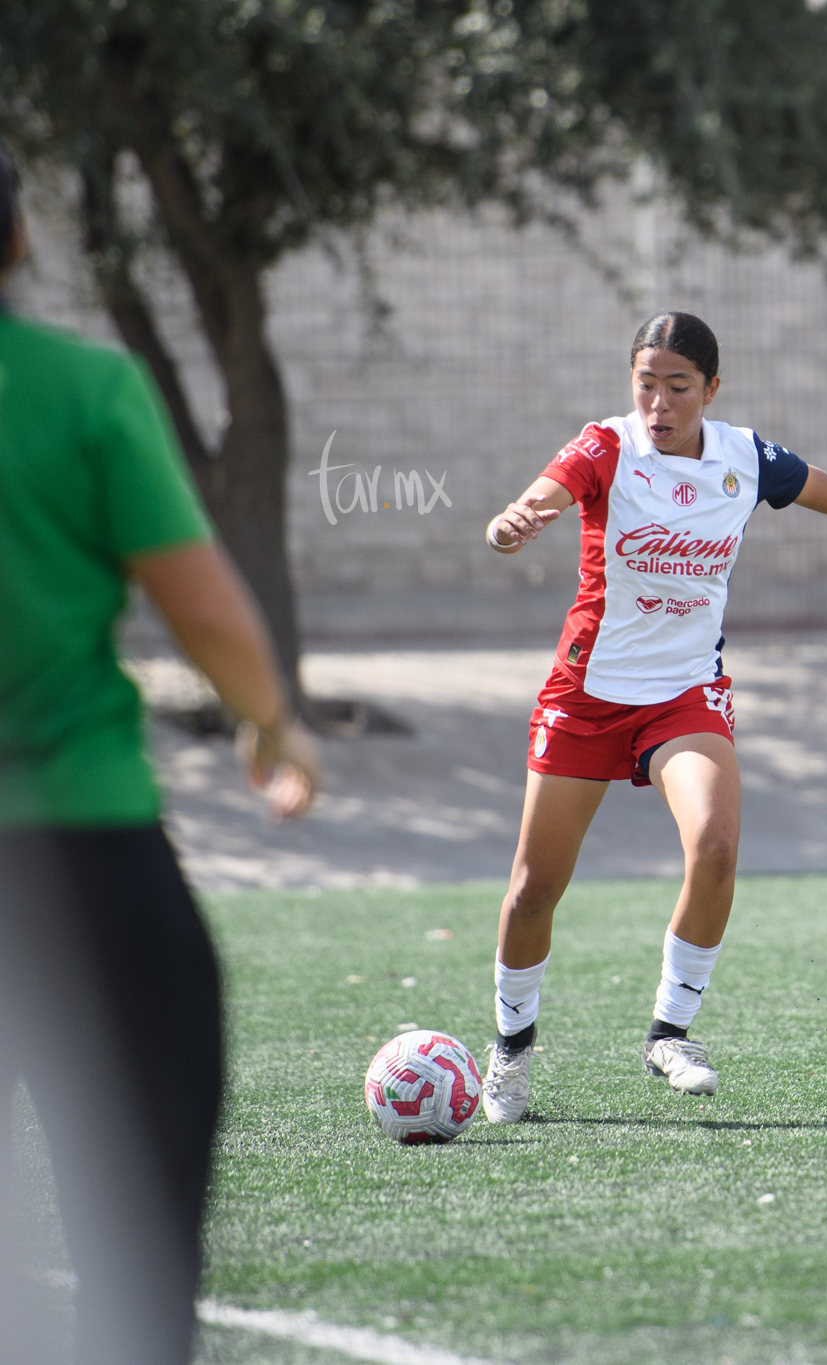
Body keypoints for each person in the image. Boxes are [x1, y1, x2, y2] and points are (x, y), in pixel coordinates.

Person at [478, 311, 827, 1120]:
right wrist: (514, 522)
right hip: (587, 695)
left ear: (711, 389)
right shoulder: (606, 447)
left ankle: (670, 1031)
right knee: (534, 888)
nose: (659, 404)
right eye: (646, 384)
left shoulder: (747, 459)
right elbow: (541, 497)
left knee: (716, 844)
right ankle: (511, 1050)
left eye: (677, 387)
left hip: (683, 696)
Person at [0, 137, 322, 1365]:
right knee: (134, 1237)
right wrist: (270, 723)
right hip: (82, 860)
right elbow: (204, 610)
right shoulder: (81, 390)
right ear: (20, 236)